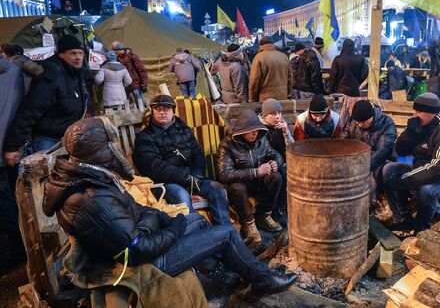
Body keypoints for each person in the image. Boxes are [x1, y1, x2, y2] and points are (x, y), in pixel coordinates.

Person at [44, 117, 297, 296]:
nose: (116, 151)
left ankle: (228, 268)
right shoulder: (90, 198)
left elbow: (139, 211)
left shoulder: (93, 179)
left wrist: (161, 219)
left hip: (142, 240)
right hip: (143, 264)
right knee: (227, 232)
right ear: (99, 151)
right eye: (111, 146)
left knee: (197, 221)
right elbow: (136, 250)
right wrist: (173, 227)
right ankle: (262, 281)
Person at [133, 95, 229, 225]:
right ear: (153, 111)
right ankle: (193, 237)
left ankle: (225, 231)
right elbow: (154, 167)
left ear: (173, 111)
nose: (162, 112)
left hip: (191, 178)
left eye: (166, 108)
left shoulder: (184, 130)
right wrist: (184, 178)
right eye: (157, 109)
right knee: (182, 195)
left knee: (216, 188)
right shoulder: (145, 137)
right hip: (165, 184)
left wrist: (196, 176)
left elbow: (198, 155)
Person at [381, 93, 440, 232]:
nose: (414, 115)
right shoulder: (421, 123)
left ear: (433, 113)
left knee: (427, 189)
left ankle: (421, 229)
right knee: (389, 170)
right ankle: (403, 220)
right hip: (423, 168)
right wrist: (410, 132)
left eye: (419, 111)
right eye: (414, 110)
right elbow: (401, 151)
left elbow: (439, 169)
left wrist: (406, 180)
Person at [3, 35, 91, 164]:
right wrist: (13, 146)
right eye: (72, 53)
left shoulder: (75, 74)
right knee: (47, 177)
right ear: (61, 55)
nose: (78, 57)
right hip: (49, 140)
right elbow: (30, 110)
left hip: (69, 138)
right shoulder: (51, 75)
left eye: (80, 53)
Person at [217, 110, 284, 243]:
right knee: (237, 188)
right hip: (241, 184)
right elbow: (224, 174)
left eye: (258, 130)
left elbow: (275, 154)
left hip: (258, 183)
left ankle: (264, 215)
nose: (255, 133)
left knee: (275, 177)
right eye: (251, 130)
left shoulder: (261, 140)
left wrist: (277, 163)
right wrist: (256, 172)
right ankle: (248, 224)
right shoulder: (227, 144)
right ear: (242, 130)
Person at [342, 100, 397, 205]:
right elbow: (344, 142)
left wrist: (363, 167)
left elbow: (383, 151)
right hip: (358, 159)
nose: (360, 125)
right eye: (358, 122)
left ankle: (370, 202)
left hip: (380, 161)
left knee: (373, 176)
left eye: (363, 122)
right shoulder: (353, 122)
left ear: (372, 116)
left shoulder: (386, 123)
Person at [0, 55, 25, 266]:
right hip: (12, 146)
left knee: (6, 204)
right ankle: (19, 246)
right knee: (13, 199)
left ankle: (16, 251)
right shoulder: (16, 71)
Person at [249, 36, 293, 102]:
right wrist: (288, 93)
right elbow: (290, 78)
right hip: (282, 96)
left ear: (261, 45)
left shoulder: (258, 57)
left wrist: (252, 98)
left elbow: (254, 81)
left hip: (266, 98)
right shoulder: (284, 56)